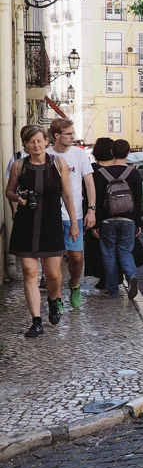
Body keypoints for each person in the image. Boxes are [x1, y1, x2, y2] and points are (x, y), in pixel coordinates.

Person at [5, 125, 79, 337]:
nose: (36, 145)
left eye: (39, 141)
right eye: (31, 142)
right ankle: (36, 321)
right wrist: (18, 198)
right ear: (25, 145)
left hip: (51, 224)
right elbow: (9, 191)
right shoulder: (19, 166)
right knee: (30, 273)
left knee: (53, 274)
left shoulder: (58, 163)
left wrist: (74, 223)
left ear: (46, 141)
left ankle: (54, 300)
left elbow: (67, 195)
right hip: (25, 225)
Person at [85, 138, 143, 291]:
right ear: (128, 153)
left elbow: (98, 199)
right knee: (125, 251)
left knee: (108, 253)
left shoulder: (100, 173)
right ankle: (131, 275)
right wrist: (138, 223)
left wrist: (96, 223)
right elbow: (138, 200)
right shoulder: (134, 173)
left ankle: (112, 288)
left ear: (112, 152)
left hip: (107, 221)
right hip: (128, 220)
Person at [46, 119, 96, 309]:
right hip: (51, 216)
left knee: (76, 257)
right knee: (55, 261)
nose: (73, 137)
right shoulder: (47, 155)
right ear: (57, 136)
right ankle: (57, 297)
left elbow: (89, 182)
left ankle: (74, 284)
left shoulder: (79, 154)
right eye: (69, 134)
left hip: (74, 214)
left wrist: (92, 210)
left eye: (73, 133)